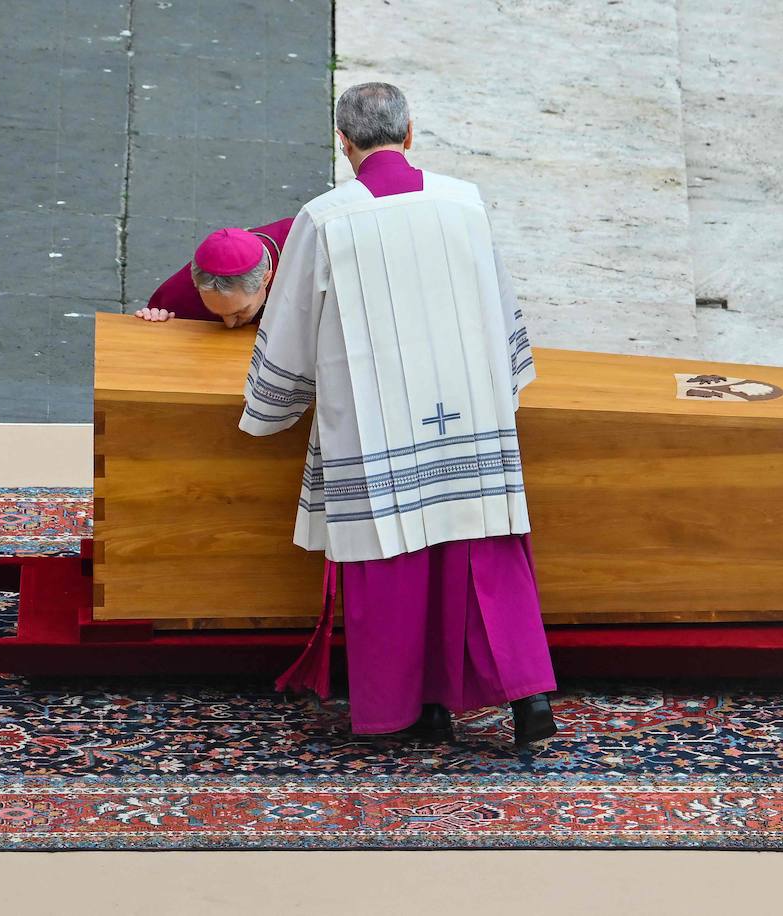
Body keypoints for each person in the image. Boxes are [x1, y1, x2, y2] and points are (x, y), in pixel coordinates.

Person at [239, 82, 558, 746]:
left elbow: (293, 326)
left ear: (344, 144)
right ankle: (531, 707)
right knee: (483, 555)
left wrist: (268, 407)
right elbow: (500, 306)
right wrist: (506, 385)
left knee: (395, 564)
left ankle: (414, 711)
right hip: (468, 408)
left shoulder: (326, 218)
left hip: (377, 419)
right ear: (411, 134)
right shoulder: (464, 202)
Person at [134, 219, 294, 328]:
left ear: (265, 279)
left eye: (240, 312)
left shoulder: (304, 248)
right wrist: (156, 320)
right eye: (217, 313)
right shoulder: (182, 291)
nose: (229, 324)